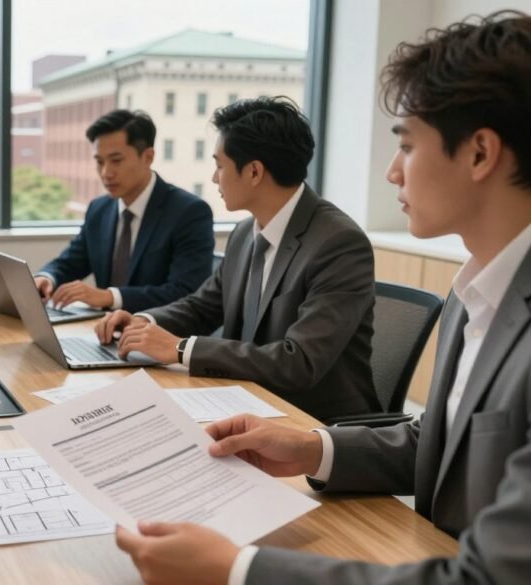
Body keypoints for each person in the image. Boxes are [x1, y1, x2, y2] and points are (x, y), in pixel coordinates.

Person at [115, 11, 531, 584]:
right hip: (418, 547)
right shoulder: (476, 291)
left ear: (480, 154)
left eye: (406, 146)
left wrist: (239, 571)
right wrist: (313, 449)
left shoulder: (348, 244)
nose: (390, 172)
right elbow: (438, 439)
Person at [96, 97, 379, 421]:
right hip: (246, 401)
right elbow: (204, 306)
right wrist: (145, 321)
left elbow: (298, 362)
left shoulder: (338, 244)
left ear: (254, 171)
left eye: (219, 165)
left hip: (314, 423)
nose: (215, 178)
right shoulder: (245, 232)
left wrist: (179, 348)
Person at [33, 109, 214, 313]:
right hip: (101, 330)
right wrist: (47, 277)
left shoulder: (189, 212)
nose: (106, 173)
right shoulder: (99, 209)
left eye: (116, 160)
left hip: (156, 335)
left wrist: (109, 296)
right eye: (99, 162)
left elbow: (184, 292)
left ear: (148, 157)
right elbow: (71, 262)